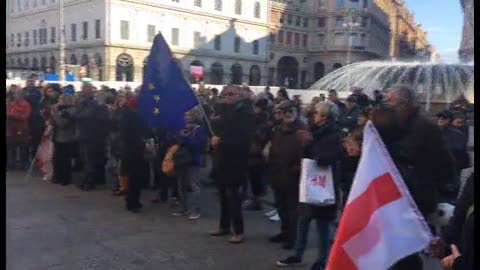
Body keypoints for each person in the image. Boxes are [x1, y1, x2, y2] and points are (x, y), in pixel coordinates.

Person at [370, 85, 455, 270]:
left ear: (404, 104)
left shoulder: (425, 127)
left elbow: (444, 163)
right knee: (390, 247)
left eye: (391, 102)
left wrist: (441, 192)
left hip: (414, 198)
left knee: (406, 251)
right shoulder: (386, 125)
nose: (387, 105)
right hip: (388, 197)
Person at [276, 101, 342, 269]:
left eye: (317, 113)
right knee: (302, 221)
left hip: (324, 186)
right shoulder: (315, 130)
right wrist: (305, 144)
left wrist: (309, 143)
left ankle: (322, 261)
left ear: (326, 117)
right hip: (310, 182)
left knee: (322, 226)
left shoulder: (334, 134)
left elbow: (325, 159)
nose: (314, 116)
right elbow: (308, 154)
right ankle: (297, 255)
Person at [209, 85, 255, 244]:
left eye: (231, 94)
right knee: (222, 195)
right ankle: (224, 226)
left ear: (240, 96)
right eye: (225, 94)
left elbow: (243, 139)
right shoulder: (221, 110)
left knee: (233, 197)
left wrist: (221, 141)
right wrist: (214, 140)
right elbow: (216, 129)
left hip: (236, 160)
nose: (227, 97)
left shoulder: (246, 113)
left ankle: (238, 230)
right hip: (221, 158)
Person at [268, 100, 308, 250]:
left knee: (292, 210)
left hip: (292, 176)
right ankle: (284, 233)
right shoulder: (278, 129)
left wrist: (296, 168)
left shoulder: (301, 129)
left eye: (290, 111)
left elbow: (306, 151)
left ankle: (293, 238)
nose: (287, 114)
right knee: (281, 207)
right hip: (278, 174)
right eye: (284, 111)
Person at [73, 83, 109, 191]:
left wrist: (77, 115)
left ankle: (89, 181)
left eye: (84, 88)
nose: (82, 90)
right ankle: (92, 179)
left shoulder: (93, 104)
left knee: (89, 159)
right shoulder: (85, 102)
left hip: (91, 134)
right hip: (88, 134)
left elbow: (84, 115)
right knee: (88, 159)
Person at [171, 109, 207, 220]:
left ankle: (196, 209)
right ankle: (183, 208)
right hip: (181, 159)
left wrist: (185, 138)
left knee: (194, 185)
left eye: (189, 115)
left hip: (193, 159)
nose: (186, 117)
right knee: (180, 185)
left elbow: (198, 144)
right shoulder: (181, 127)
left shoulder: (199, 129)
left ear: (195, 116)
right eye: (185, 115)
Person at [119, 95, 151, 213]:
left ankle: (134, 200)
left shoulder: (132, 114)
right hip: (132, 150)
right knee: (134, 178)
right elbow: (128, 135)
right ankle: (132, 202)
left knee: (136, 177)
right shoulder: (128, 116)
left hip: (135, 149)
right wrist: (142, 144)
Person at [245, 98, 271, 211]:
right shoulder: (264, 120)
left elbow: (260, 137)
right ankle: (255, 199)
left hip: (256, 153)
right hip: (255, 152)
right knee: (255, 178)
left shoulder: (261, 121)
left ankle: (257, 201)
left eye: (255, 107)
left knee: (256, 178)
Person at [50, 94, 77, 185]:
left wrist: (55, 113)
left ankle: (65, 178)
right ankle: (57, 176)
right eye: (59, 99)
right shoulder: (60, 109)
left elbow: (62, 124)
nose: (59, 101)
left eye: (62, 99)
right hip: (57, 137)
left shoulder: (71, 111)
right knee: (57, 159)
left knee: (65, 160)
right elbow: (54, 122)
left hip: (66, 138)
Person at [7, 86, 32, 170]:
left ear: (22, 95)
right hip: (12, 129)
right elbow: (8, 113)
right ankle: (11, 165)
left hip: (22, 128)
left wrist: (14, 115)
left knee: (23, 148)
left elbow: (25, 116)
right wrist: (14, 114)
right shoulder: (11, 103)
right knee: (11, 148)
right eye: (15, 94)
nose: (15, 95)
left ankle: (23, 164)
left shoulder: (26, 104)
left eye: (17, 93)